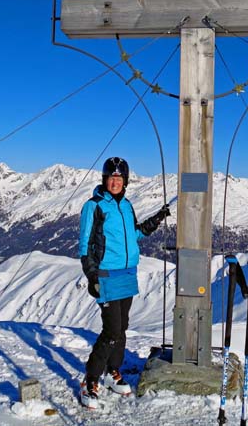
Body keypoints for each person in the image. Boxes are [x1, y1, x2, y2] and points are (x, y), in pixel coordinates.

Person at [78, 156, 170, 409]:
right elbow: (85, 244)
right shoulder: (94, 206)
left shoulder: (127, 206)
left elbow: (135, 234)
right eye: (111, 178)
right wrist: (92, 275)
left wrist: (157, 219)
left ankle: (112, 371)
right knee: (111, 331)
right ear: (105, 180)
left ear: (125, 181)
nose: (115, 182)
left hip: (128, 274)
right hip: (107, 275)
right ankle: (91, 380)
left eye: (119, 178)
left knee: (122, 328)